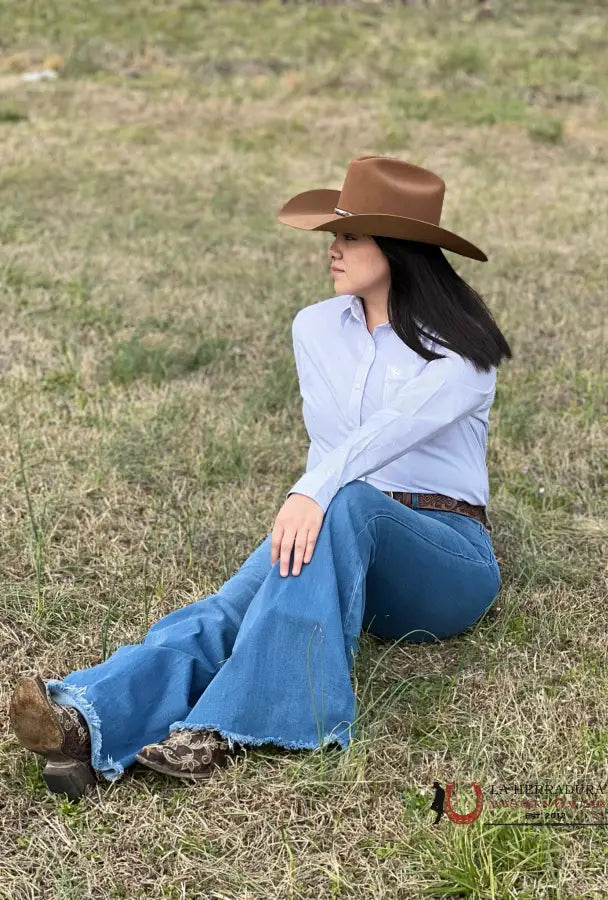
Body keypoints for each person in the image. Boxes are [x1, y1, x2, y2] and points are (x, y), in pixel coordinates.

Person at [9, 155, 512, 800]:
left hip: (443, 560)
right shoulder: (315, 329)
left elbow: (389, 431)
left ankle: (226, 724)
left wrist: (311, 491)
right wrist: (316, 497)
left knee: (350, 502)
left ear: (400, 247)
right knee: (230, 610)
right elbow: (329, 444)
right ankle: (84, 722)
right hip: (337, 530)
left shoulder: (461, 350)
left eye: (352, 236)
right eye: (335, 234)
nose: (334, 249)